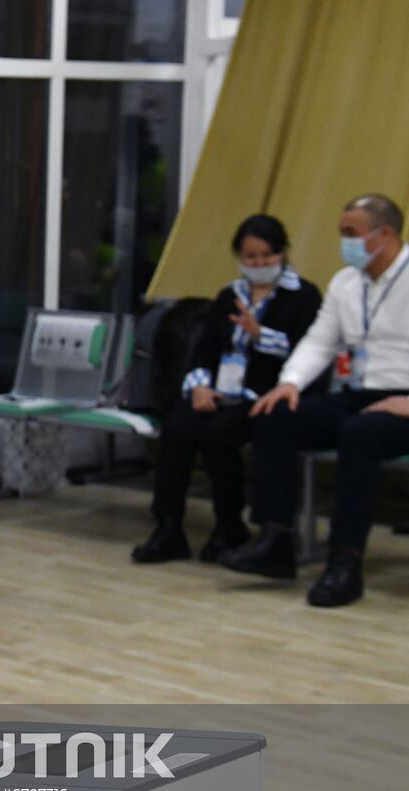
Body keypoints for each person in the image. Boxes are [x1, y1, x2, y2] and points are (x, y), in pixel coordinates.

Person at [219, 194, 409, 607]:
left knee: (358, 433)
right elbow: (320, 340)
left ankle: (345, 563)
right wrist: (289, 382)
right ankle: (276, 540)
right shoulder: (346, 282)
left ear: (386, 235)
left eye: (351, 234)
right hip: (361, 393)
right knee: (277, 414)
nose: (344, 243)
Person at [133, 215, 322, 563]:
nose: (259, 264)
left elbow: (307, 352)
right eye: (250, 257)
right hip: (220, 391)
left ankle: (229, 525)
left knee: (220, 434)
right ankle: (168, 526)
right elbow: (204, 349)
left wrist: (259, 335)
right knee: (178, 425)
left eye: (266, 256)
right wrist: (201, 387)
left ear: (282, 253)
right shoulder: (229, 295)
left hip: (265, 394)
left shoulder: (304, 297)